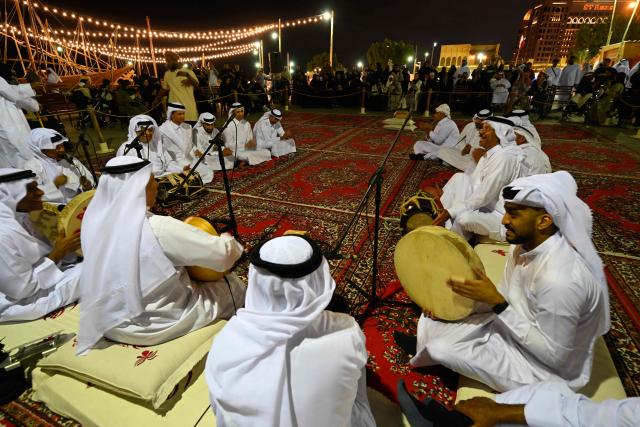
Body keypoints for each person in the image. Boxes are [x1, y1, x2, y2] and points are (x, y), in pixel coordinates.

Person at [399, 171, 610, 393]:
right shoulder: (521, 247)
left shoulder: (560, 280)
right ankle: (428, 347)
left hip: (549, 371)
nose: (504, 220)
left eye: (514, 214)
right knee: (440, 314)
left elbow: (554, 356)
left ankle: (435, 358)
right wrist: (473, 296)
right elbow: (508, 296)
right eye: (506, 211)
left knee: (442, 348)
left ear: (544, 221)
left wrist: (497, 304)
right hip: (521, 327)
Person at [76, 156, 245, 354]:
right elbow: (223, 256)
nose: (157, 186)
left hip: (110, 321)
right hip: (154, 326)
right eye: (153, 180)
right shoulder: (158, 228)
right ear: (140, 187)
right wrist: (227, 240)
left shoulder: (92, 223)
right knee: (231, 284)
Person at [205, 235, 376, 427]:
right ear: (319, 278)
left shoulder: (226, 342)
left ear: (255, 279)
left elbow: (220, 412)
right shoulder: (348, 332)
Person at [0, 169, 82, 321]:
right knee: (97, 270)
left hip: (40, 282)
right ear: (9, 196)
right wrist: (58, 253)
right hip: (20, 302)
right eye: (32, 189)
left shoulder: (21, 218)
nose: (40, 193)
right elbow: (22, 288)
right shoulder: (2, 234)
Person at [432, 117, 526, 241]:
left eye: (487, 129)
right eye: (482, 128)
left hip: (504, 217)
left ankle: (452, 244)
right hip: (488, 206)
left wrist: (451, 211)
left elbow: (484, 196)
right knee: (460, 178)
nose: (480, 132)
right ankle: (441, 223)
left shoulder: (505, 158)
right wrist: (448, 203)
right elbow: (474, 185)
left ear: (500, 134)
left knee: (463, 218)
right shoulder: (489, 154)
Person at [398, 380, 638, 427]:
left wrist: (503, 413)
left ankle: (450, 424)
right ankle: (457, 420)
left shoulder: (564, 280)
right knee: (551, 392)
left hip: (549, 359)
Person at [23, 128, 94, 204]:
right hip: (53, 210)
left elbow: (87, 176)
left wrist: (87, 185)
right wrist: (55, 185)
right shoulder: (32, 166)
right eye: (57, 148)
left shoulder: (69, 160)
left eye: (62, 146)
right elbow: (32, 195)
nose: (62, 150)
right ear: (42, 150)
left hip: (79, 204)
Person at [0, 63, 39, 168]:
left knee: (7, 155)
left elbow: (11, 88)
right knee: (20, 152)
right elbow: (15, 95)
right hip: (7, 121)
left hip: (6, 123)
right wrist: (34, 105)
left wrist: (29, 87)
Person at [117, 114, 182, 177]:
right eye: (142, 131)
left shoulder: (157, 145)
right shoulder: (126, 148)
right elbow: (124, 174)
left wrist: (181, 169)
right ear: (135, 131)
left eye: (150, 130)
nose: (147, 133)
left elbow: (169, 163)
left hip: (162, 179)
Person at [154, 52, 199, 122]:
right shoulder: (167, 74)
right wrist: (156, 99)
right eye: (166, 61)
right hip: (174, 110)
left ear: (175, 60)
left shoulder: (188, 71)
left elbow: (196, 84)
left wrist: (187, 76)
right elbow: (164, 89)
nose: (167, 64)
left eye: (169, 61)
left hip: (189, 110)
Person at [192, 112, 234, 177]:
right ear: (202, 124)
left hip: (212, 156)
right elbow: (200, 153)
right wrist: (219, 153)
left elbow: (219, 145)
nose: (210, 127)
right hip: (201, 158)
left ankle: (214, 168)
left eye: (212, 124)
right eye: (208, 125)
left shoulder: (215, 131)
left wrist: (224, 149)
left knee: (231, 158)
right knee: (202, 163)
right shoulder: (196, 133)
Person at [158, 102, 194, 174]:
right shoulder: (163, 129)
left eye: (183, 114)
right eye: (179, 114)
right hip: (174, 162)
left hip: (190, 159)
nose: (182, 116)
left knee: (208, 170)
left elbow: (191, 145)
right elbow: (161, 150)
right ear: (171, 115)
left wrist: (195, 151)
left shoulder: (188, 127)